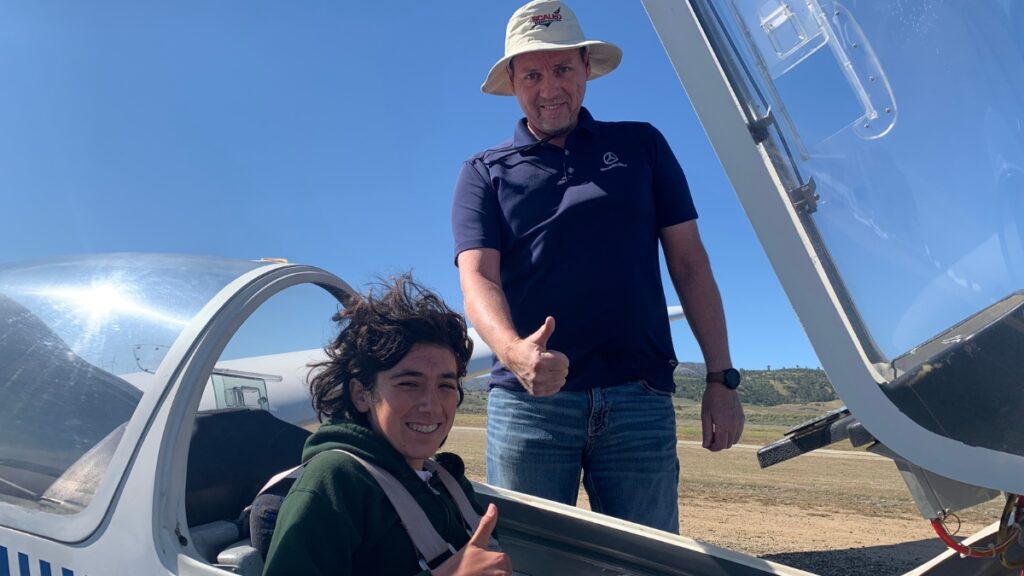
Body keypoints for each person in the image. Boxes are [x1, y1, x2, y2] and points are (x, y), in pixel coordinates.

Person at [451, 0, 745, 534]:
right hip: (530, 403)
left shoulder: (642, 146)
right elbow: (478, 277)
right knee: (528, 563)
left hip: (639, 396)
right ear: (513, 82)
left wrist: (721, 379)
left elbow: (690, 262)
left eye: (563, 69)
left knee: (649, 563)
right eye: (533, 74)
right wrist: (515, 353)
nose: (550, 88)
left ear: (586, 67)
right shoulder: (483, 173)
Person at [262, 276, 512, 576]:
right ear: (361, 394)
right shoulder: (334, 482)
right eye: (409, 384)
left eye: (445, 385)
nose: (431, 405)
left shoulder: (446, 481)